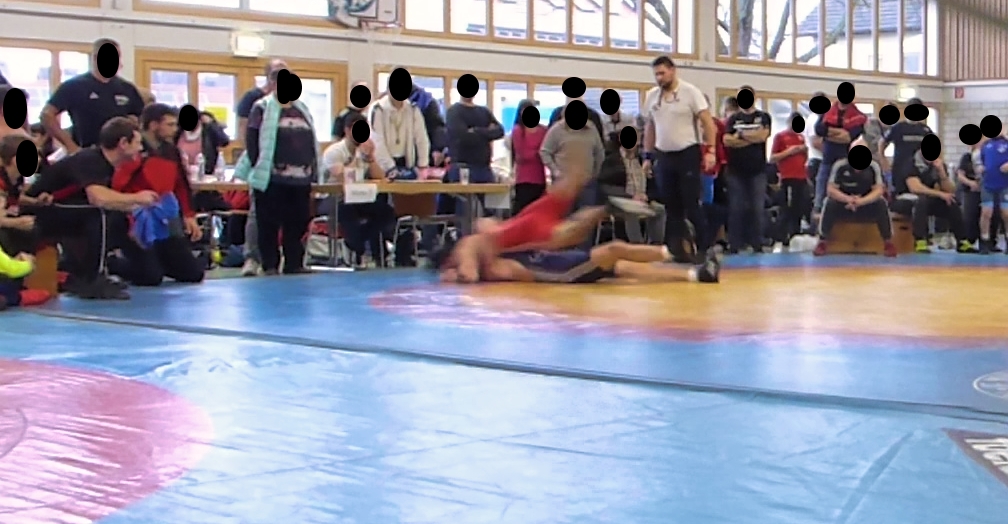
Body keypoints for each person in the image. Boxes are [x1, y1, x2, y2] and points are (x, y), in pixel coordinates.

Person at [24, 117, 154, 299]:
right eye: (138, 143)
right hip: (39, 210)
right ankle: (93, 279)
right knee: (100, 211)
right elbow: (98, 197)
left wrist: (131, 210)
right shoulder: (91, 160)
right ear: (123, 143)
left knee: (115, 216)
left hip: (62, 208)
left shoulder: (105, 164)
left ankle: (88, 271)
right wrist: (137, 198)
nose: (140, 148)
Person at [235, 66, 323, 275]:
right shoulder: (262, 107)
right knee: (268, 223)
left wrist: (312, 169)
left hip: (300, 179)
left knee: (298, 222)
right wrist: (259, 165)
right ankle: (270, 264)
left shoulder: (302, 109)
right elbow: (252, 139)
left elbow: (311, 140)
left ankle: (294, 263)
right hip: (272, 178)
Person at [107, 103, 206, 286]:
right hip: (136, 217)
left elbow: (180, 185)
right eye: (170, 124)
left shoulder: (171, 151)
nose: (175, 129)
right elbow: (117, 185)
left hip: (164, 216)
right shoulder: (134, 150)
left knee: (193, 273)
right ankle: (111, 263)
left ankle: (159, 261)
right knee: (150, 277)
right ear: (153, 125)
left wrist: (189, 215)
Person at [642, 56, 717, 263]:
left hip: (687, 153)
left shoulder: (690, 92)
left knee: (691, 204)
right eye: (656, 74)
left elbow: (708, 124)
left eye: (662, 73)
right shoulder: (652, 96)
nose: (659, 78)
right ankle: (677, 250)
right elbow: (650, 127)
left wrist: (710, 151)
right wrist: (647, 156)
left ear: (673, 70)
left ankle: (705, 248)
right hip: (664, 155)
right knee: (671, 206)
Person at [435, 239, 722, 285]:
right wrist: (457, 274)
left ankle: (696, 274)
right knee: (613, 249)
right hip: (559, 271)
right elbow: (470, 275)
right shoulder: (468, 249)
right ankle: (674, 253)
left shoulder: (485, 249)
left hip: (556, 262)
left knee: (623, 267)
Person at [40, 38, 145, 153]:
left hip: (120, 154)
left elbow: (141, 118)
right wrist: (70, 146)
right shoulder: (75, 86)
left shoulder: (127, 88)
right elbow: (47, 114)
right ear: (95, 58)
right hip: (88, 151)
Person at [813, 142, 897, 257]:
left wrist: (861, 201)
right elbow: (831, 190)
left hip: (865, 204)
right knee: (829, 202)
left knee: (881, 202)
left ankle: (888, 242)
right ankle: (822, 241)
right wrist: (848, 199)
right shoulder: (840, 165)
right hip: (844, 204)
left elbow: (878, 190)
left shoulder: (873, 166)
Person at [889, 150, 974, 253]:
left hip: (927, 198)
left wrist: (942, 173)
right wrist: (940, 194)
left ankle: (962, 241)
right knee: (921, 201)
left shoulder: (937, 165)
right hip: (904, 198)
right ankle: (920, 240)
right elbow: (915, 188)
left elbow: (950, 190)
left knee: (951, 201)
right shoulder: (910, 163)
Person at [978, 130, 1008, 254]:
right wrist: (980, 168)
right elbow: (980, 162)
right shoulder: (985, 145)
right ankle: (984, 241)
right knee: (986, 213)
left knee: (1006, 214)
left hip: (1005, 184)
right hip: (988, 184)